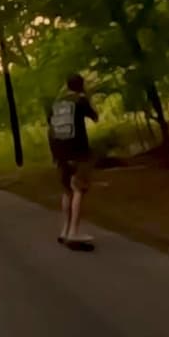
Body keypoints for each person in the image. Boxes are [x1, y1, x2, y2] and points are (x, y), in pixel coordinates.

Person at [47, 73, 98, 249]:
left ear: (66, 85)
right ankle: (74, 233)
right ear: (81, 85)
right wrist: (87, 96)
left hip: (60, 153)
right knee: (78, 189)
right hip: (79, 153)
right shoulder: (80, 101)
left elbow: (50, 124)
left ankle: (65, 230)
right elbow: (95, 116)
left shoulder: (56, 104)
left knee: (67, 191)